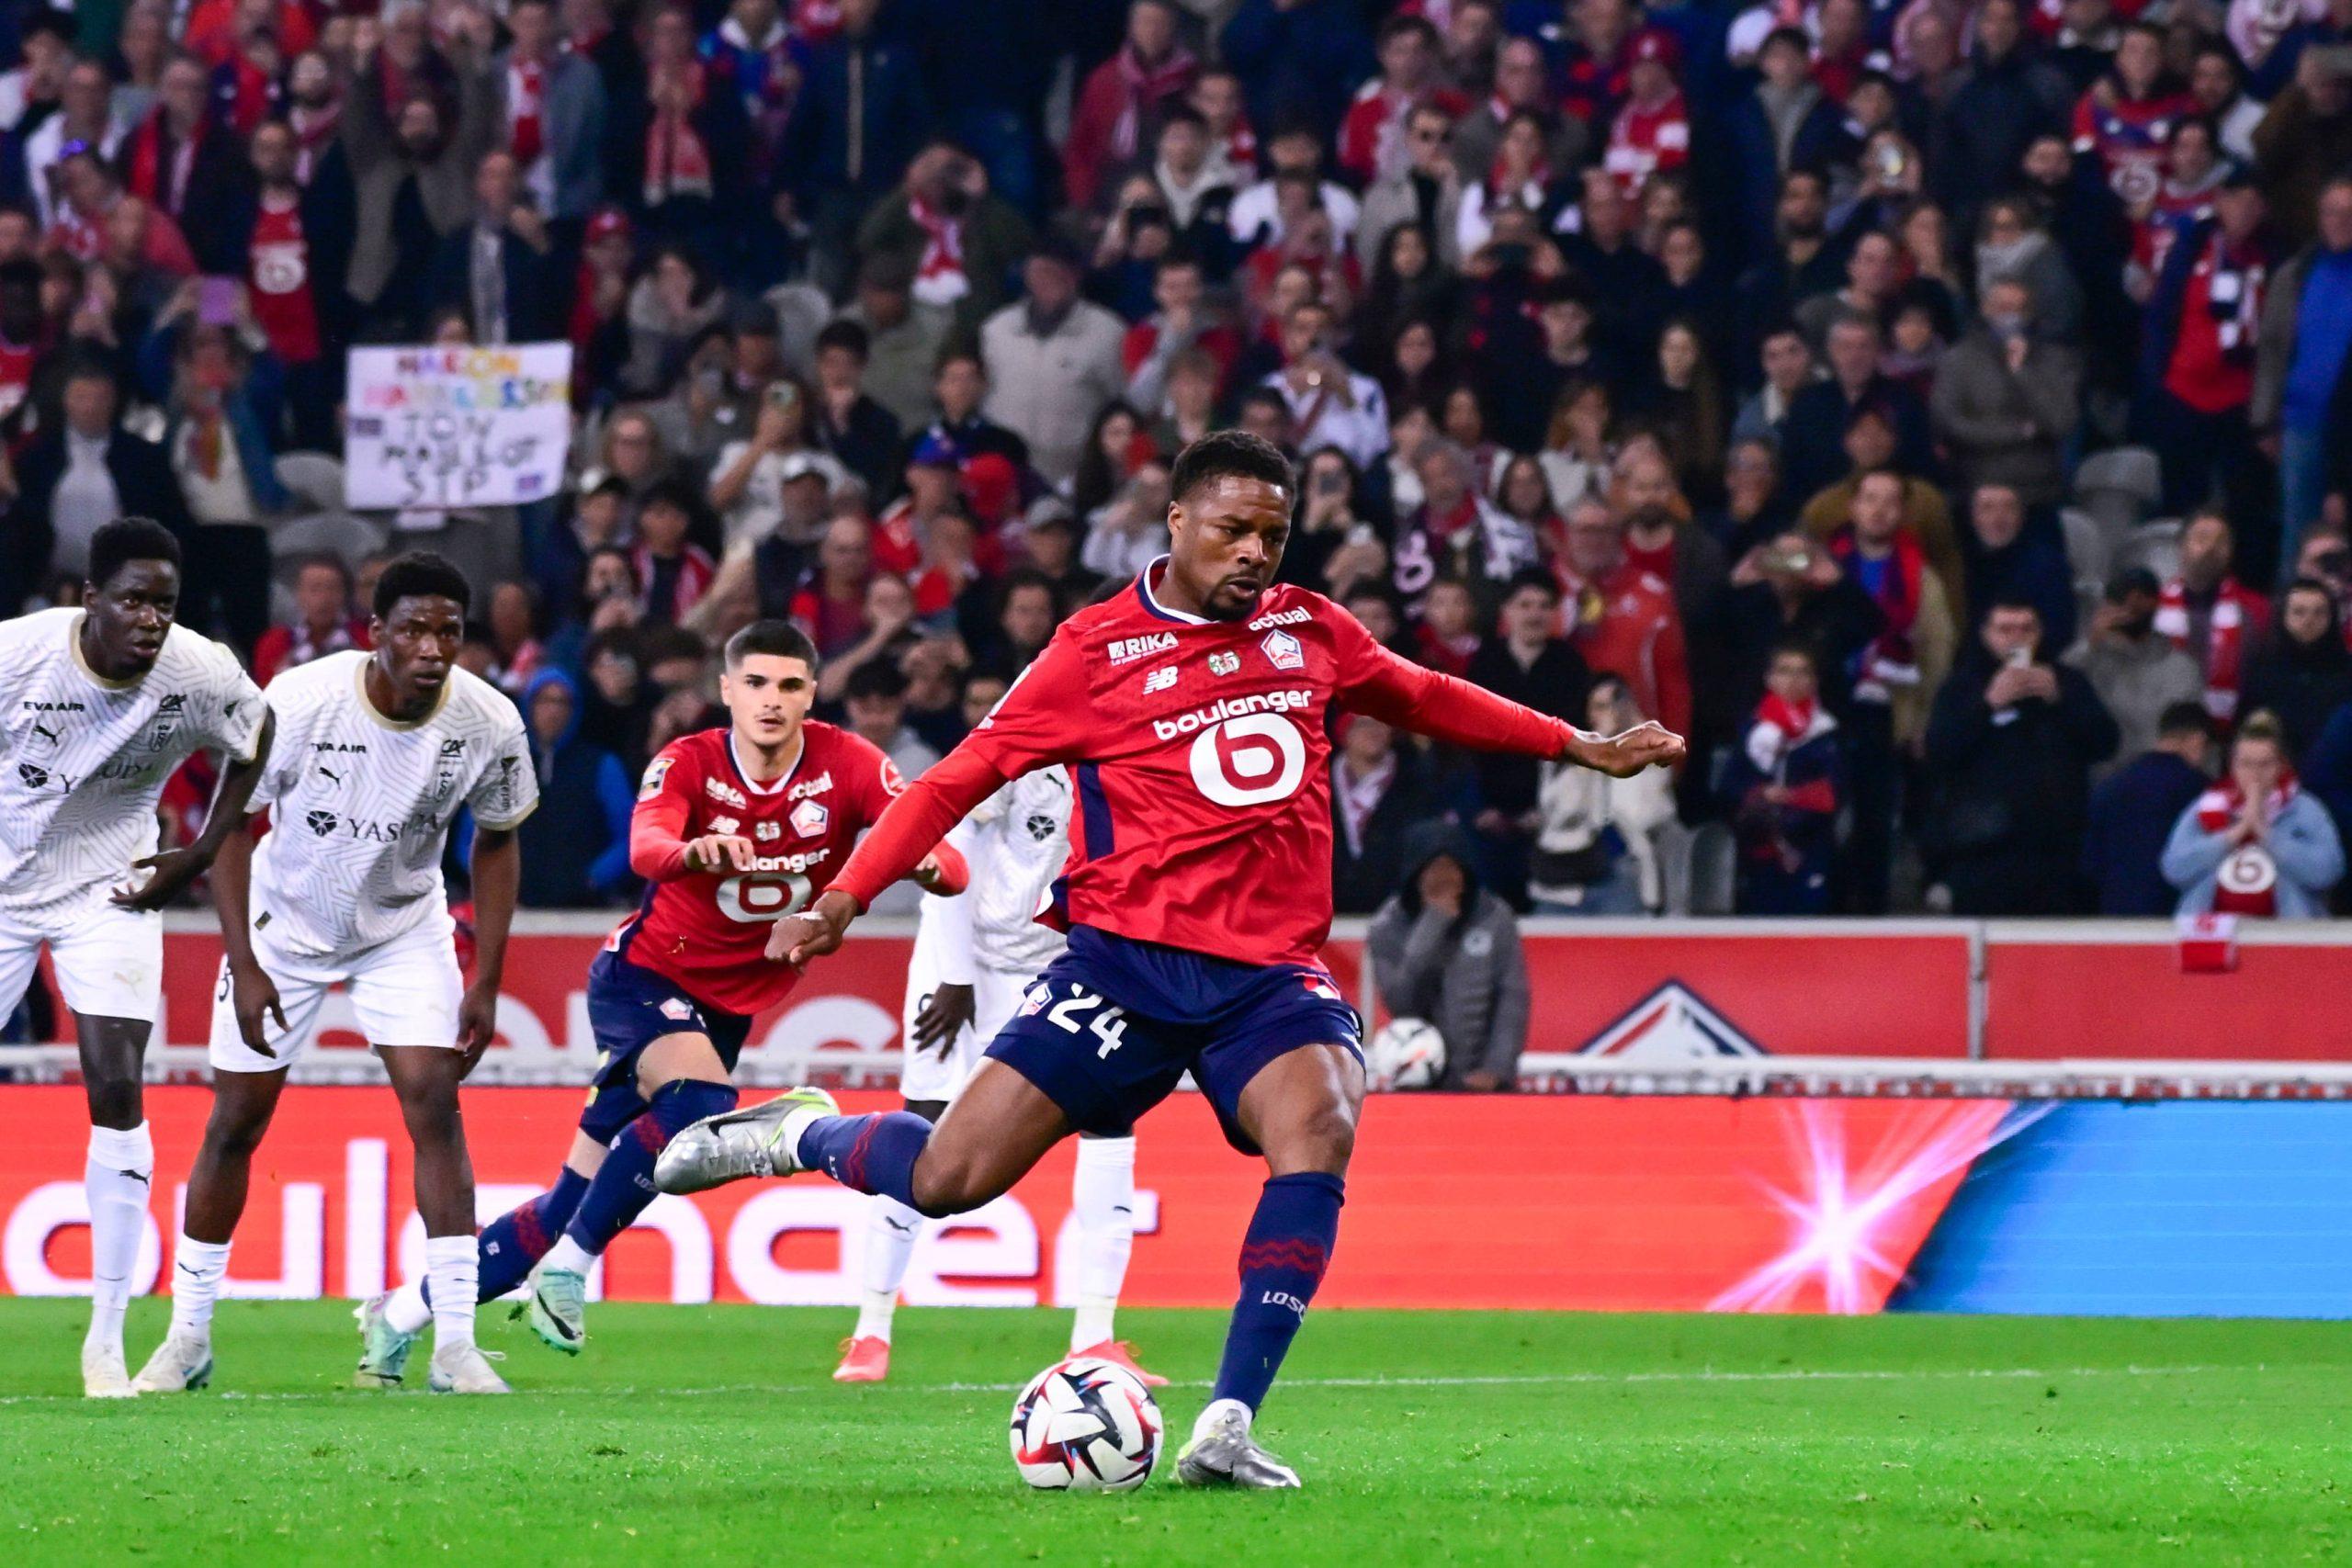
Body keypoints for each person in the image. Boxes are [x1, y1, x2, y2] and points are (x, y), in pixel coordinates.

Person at [652, 432, 1681, 1488]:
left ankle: (1227, 1423)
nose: (1255, 554)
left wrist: (1576, 744)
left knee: (1320, 1124)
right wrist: (842, 898)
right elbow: (949, 784)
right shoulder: (1090, 651)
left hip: (1267, 975)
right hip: (1123, 969)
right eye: (1233, 530)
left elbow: (1423, 695)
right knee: (946, 1177)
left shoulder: (1309, 628)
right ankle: (796, 1136)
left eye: (1273, 535)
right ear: (1178, 522)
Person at [359, 620, 962, 1370]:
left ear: (812, 693)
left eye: (788, 686)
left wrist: (928, 864)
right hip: (644, 980)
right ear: (727, 690)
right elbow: (646, 844)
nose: (770, 701)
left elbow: (947, 858)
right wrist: (692, 851)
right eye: (755, 684)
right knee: (699, 1108)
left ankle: (402, 1309)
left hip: (725, 1010)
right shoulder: (690, 760)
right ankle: (571, 1269)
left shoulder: (850, 764)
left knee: (561, 1205)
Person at [136, 554, 533, 1397]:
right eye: (416, 629)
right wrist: (242, 962)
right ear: (376, 633)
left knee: (434, 1101)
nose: (433, 648)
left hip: (402, 926)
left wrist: (487, 977)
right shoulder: (301, 700)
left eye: (449, 632)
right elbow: (233, 826)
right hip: (285, 926)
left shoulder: (490, 720)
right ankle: (189, 1336)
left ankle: (456, 1344)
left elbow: (496, 840)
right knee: (237, 1121)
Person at [0, 518, 270, 1397]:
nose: (151, 619)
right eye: (133, 600)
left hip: (109, 889)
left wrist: (197, 851)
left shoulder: (199, 670)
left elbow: (255, 737)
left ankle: (105, 1343)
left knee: (117, 1084)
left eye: (164, 602)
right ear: (90, 601)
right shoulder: (20, 655)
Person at [843, 709, 1160, 1387]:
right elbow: (953, 825)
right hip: (967, 956)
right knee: (926, 1123)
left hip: (1064, 961)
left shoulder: (1154, 742)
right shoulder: (1041, 713)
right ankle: (871, 1328)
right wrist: (955, 973)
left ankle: (1095, 1335)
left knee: (1110, 1116)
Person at [1923, 598, 2120, 914]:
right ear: (1986, 634)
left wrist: (2062, 700)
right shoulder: (1961, 686)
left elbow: (2106, 743)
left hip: (2056, 854)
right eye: (2005, 630)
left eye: (2026, 629)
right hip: (1982, 853)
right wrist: (1987, 706)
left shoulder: (2066, 681)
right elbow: (1939, 752)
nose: (2017, 638)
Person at [1367, 822, 1529, 1090]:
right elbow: (1400, 1002)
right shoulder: (1387, 927)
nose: (1445, 877)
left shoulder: (1494, 918)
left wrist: (1497, 1069)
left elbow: (1512, 999)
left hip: (1485, 1081)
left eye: (1452, 867)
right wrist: (1433, 923)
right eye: (1434, 868)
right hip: (1418, 1080)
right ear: (1416, 874)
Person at [2163, 712, 2345, 917]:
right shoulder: (2205, 807)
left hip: (2288, 932)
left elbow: (2328, 872)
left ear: (2280, 765)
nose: (2255, 773)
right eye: (2246, 764)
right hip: (2212, 932)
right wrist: (2233, 835)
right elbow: (2175, 869)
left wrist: (2267, 835)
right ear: (2233, 766)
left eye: (2265, 764)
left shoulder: (2304, 809)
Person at [1723, 642, 1844, 914]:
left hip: (1811, 850)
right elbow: (1730, 786)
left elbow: (1835, 791)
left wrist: (1791, 801)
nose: (1793, 680)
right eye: (1785, 671)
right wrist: (1760, 794)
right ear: (1769, 679)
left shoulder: (1825, 733)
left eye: (1803, 672)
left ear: (1814, 681)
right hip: (1758, 852)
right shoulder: (1752, 731)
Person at [2066, 568, 2207, 774]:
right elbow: (2058, 690)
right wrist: (2091, 644)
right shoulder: (2088, 662)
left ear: (2157, 604)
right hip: (2098, 786)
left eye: (2142, 598)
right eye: (2124, 599)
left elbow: (2198, 740)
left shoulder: (2183, 669)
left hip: (2159, 783)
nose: (2131, 606)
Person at [2084, 700, 2215, 915]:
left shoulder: (2110, 786)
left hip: (2116, 914)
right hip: (2174, 915)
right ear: (2198, 740)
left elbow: (2091, 863)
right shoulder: (2198, 789)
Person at [2156, 510, 2272, 725]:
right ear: (2181, 546)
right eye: (2202, 538)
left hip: (2231, 730)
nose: (2211, 548)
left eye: (2221, 541)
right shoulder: (2154, 606)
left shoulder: (2258, 609)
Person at [2240, 579, 2352, 760]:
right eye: (2299, 612)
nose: (2309, 620)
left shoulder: (2347, 671)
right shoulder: (2263, 670)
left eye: (2319, 613)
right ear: (2283, 616)